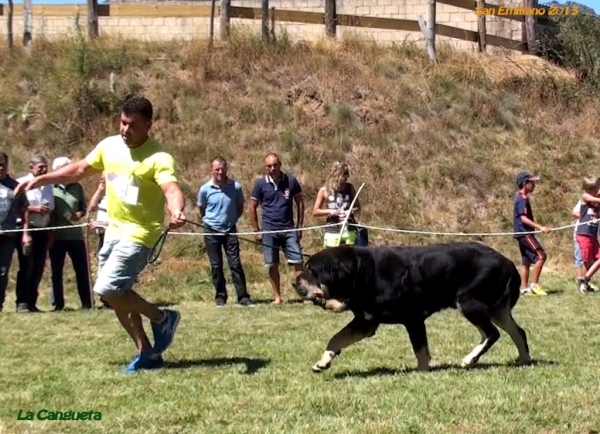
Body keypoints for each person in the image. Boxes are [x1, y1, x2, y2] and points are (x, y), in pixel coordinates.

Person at [15, 95, 186, 373]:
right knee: (114, 294)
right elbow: (80, 169)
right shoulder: (109, 147)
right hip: (113, 231)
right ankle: (147, 353)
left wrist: (176, 210)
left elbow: (171, 189)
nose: (125, 130)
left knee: (106, 288)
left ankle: (162, 317)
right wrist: (44, 179)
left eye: (133, 125)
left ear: (148, 126)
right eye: (122, 122)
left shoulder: (159, 157)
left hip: (140, 234)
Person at [248, 153, 304, 305]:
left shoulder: (290, 181)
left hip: (288, 229)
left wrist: (300, 227)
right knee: (272, 264)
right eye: (269, 166)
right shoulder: (260, 184)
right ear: (265, 167)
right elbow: (252, 207)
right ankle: (277, 297)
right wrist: (256, 230)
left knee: (298, 261)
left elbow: (299, 202)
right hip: (269, 230)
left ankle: (303, 295)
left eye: (275, 165)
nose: (272, 168)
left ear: (280, 164)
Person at [198, 157, 254, 308]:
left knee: (235, 264)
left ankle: (243, 297)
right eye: (217, 169)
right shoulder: (205, 189)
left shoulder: (235, 187)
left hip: (230, 230)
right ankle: (220, 298)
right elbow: (202, 209)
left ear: (226, 169)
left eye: (222, 169)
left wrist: (232, 220)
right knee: (216, 265)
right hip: (211, 231)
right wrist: (212, 222)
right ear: (212, 170)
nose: (220, 172)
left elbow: (239, 207)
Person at [48, 156, 93, 311]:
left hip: (75, 235)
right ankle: (57, 304)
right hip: (57, 237)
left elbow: (84, 208)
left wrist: (79, 215)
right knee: (56, 271)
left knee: (82, 270)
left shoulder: (77, 187)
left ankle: (87, 303)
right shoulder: (50, 187)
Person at [16, 154, 53, 312]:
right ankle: (22, 302)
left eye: (45, 166)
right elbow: (15, 206)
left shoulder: (49, 184)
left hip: (43, 229)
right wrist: (33, 209)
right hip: (27, 229)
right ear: (31, 168)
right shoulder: (21, 183)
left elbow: (51, 207)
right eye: (40, 167)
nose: (44, 169)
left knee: (38, 267)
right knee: (27, 266)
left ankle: (32, 302)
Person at [0, 152, 32, 313]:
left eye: (2, 165)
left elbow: (24, 210)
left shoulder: (15, 186)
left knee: (2, 272)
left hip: (7, 236)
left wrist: (25, 234)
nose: (0, 168)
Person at [513, 171, 550, 296]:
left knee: (526, 261)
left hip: (521, 233)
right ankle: (534, 285)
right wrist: (541, 227)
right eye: (532, 182)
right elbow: (523, 218)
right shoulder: (522, 199)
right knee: (541, 255)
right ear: (525, 183)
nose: (534, 185)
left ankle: (524, 288)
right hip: (524, 233)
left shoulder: (521, 197)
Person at [312, 161, 361, 247]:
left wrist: (349, 212)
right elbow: (315, 212)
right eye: (345, 174)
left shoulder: (350, 188)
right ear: (337, 174)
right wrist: (330, 211)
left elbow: (357, 207)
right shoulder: (324, 190)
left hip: (349, 229)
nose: (348, 176)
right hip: (332, 231)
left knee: (350, 257)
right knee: (333, 258)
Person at [574, 177, 600, 293]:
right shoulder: (585, 197)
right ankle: (583, 284)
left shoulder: (596, 199)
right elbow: (588, 198)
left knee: (595, 258)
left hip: (592, 235)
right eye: (597, 188)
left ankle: (586, 279)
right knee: (587, 260)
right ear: (590, 189)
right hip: (584, 233)